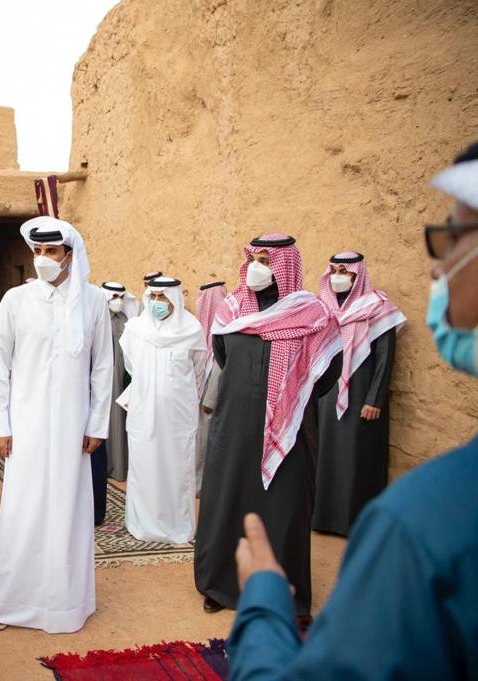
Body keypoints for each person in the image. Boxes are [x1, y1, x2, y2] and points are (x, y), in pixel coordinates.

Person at [227, 141, 478, 680]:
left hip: (343, 411)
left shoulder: (427, 524)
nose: (438, 271)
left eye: (451, 241)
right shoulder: (241, 313)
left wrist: (265, 604)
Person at [194, 234, 342, 624]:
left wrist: (289, 400)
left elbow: (328, 372)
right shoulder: (231, 311)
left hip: (288, 429)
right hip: (234, 426)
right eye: (253, 259)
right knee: (227, 500)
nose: (258, 267)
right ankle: (219, 587)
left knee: (284, 508)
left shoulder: (312, 315)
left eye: (266, 260)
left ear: (284, 267)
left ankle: (287, 597)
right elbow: (224, 358)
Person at [0, 216, 113, 634]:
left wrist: (97, 423)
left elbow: (102, 368)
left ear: (69, 256)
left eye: (51, 252)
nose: (42, 259)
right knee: (23, 510)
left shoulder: (92, 302)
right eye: (37, 252)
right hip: (25, 426)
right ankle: (11, 603)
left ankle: (65, 605)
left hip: (73, 428)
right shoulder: (15, 302)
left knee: (68, 510)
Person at [313, 253, 406, 536]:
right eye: (335, 270)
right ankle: (323, 519)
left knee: (357, 458)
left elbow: (385, 358)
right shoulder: (324, 308)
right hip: (328, 396)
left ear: (358, 275)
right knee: (324, 455)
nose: (339, 276)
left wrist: (374, 399)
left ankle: (354, 523)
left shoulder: (378, 308)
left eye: (346, 271)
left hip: (361, 395)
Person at [117, 277, 206, 543]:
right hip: (144, 412)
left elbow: (198, 372)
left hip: (178, 416)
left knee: (177, 468)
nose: (157, 302)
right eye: (153, 297)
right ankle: (142, 524)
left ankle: (178, 526)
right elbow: (132, 366)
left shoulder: (192, 330)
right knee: (144, 466)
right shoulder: (135, 330)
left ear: (175, 299)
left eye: (163, 297)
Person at [101, 282, 140, 484]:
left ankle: (118, 467)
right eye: (114, 296)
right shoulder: (99, 318)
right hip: (103, 378)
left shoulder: (126, 318)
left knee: (119, 421)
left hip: (122, 378)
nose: (118, 301)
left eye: (121, 297)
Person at [195, 281, 228, 494]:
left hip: (210, 404)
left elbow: (220, 365)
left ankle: (202, 487)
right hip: (198, 401)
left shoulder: (222, 329)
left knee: (206, 447)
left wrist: (209, 400)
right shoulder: (204, 332)